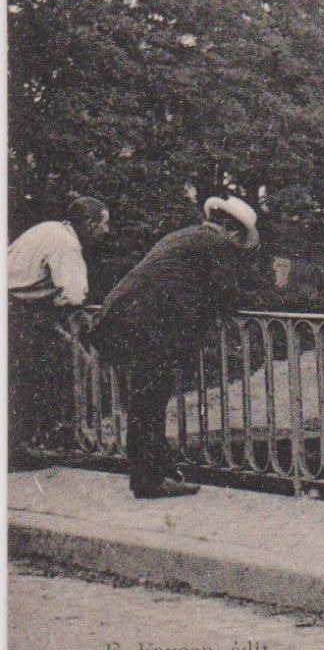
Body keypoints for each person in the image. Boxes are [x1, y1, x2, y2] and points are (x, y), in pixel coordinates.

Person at [87, 196, 259, 499]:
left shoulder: (183, 236)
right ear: (231, 230)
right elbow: (228, 295)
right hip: (147, 329)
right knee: (148, 404)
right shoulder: (216, 245)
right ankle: (149, 481)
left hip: (124, 320)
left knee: (145, 402)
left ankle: (159, 470)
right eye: (238, 239)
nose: (236, 245)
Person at [7, 197, 111, 464]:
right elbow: (74, 294)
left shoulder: (50, 229)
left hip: (18, 308)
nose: (106, 231)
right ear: (89, 224)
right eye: (104, 223)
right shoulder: (67, 245)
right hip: (19, 311)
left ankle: (39, 438)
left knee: (31, 374)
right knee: (78, 363)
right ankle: (65, 435)